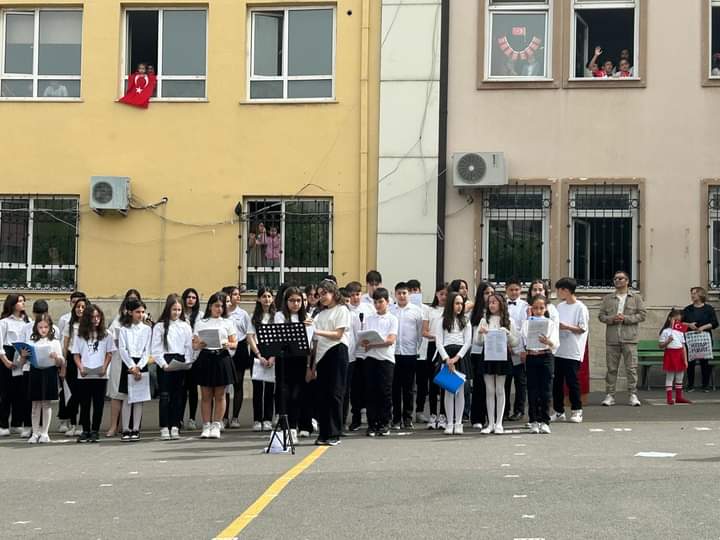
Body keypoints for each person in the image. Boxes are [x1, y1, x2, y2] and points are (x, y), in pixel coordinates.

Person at [310, 279, 351, 446]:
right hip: (321, 356)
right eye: (319, 295)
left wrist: (316, 330)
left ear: (333, 293)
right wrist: (312, 365)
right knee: (322, 395)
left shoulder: (342, 310)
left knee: (335, 394)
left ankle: (334, 433)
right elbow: (315, 340)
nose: (322, 297)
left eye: (325, 293)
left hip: (337, 352)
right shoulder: (319, 314)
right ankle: (324, 432)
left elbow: (338, 334)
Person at [192, 292, 238, 439]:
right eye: (216, 306)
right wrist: (200, 344)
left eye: (222, 306)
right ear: (210, 306)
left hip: (221, 357)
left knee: (220, 395)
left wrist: (227, 344)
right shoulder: (201, 322)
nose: (219, 309)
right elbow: (194, 345)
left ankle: (217, 424)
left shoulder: (227, 322)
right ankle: (206, 425)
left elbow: (235, 343)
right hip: (206, 357)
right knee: (206, 395)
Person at [599, 270, 647, 407]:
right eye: (615, 279)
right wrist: (612, 319)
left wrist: (626, 318)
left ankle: (633, 394)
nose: (617, 281)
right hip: (612, 338)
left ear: (627, 281)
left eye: (620, 278)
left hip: (630, 338)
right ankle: (610, 395)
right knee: (611, 369)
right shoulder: (608, 298)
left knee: (631, 368)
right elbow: (601, 316)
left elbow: (642, 315)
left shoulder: (636, 298)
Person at [274, 287, 314, 444]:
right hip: (284, 359)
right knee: (285, 393)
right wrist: (300, 327)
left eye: (298, 300)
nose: (295, 304)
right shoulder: (280, 315)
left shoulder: (308, 317)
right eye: (292, 300)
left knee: (300, 393)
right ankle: (288, 427)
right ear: (286, 301)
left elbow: (310, 343)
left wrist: (310, 366)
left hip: (301, 359)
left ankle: (302, 425)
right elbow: (280, 334)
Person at [476, 293, 519, 435]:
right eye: (489, 302)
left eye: (494, 302)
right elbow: (478, 342)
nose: (491, 305)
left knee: (500, 390)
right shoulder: (484, 320)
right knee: (489, 390)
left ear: (501, 304)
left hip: (502, 356)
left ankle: (499, 423)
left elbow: (516, 342)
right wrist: (481, 333)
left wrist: (507, 334)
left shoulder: (509, 321)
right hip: (488, 356)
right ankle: (490, 423)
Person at [152, 294, 194, 440]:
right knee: (165, 396)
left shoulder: (185, 326)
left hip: (180, 361)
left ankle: (175, 425)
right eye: (174, 309)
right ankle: (164, 426)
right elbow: (156, 349)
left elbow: (188, 347)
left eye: (179, 310)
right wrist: (163, 364)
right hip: (166, 361)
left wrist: (188, 362)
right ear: (168, 309)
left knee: (178, 396)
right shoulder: (160, 326)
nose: (176, 312)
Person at [71, 305, 115, 443]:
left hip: (100, 374)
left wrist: (104, 368)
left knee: (98, 404)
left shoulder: (107, 335)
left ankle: (95, 430)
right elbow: (76, 355)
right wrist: (81, 368)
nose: (96, 319)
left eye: (98, 316)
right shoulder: (80, 335)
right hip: (84, 374)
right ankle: (85, 430)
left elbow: (109, 353)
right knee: (84, 404)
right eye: (93, 317)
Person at [20, 313, 64, 443]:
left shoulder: (54, 342)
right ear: (36, 328)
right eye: (40, 327)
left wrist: (56, 357)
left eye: (46, 327)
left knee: (46, 403)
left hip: (49, 372)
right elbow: (21, 363)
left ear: (50, 327)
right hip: (35, 373)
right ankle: (35, 433)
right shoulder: (31, 342)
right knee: (35, 404)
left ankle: (45, 433)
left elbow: (61, 362)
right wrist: (23, 355)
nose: (43, 330)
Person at [359, 288, 397, 437]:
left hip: (386, 359)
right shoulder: (369, 319)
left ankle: (385, 423)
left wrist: (373, 344)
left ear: (387, 302)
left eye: (381, 302)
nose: (378, 305)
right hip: (370, 358)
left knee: (384, 392)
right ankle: (372, 424)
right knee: (370, 391)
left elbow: (390, 340)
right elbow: (364, 339)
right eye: (375, 302)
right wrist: (365, 342)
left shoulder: (392, 319)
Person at [551, 278, 589, 424]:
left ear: (566, 290)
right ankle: (558, 411)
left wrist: (566, 326)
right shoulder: (560, 306)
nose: (558, 293)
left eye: (559, 290)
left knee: (572, 382)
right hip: (559, 349)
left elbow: (582, 328)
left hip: (573, 350)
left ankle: (577, 410)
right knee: (557, 382)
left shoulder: (580, 307)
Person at [434, 292, 472, 435]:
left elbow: (467, 342)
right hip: (447, 355)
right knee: (449, 391)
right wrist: (446, 359)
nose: (459, 306)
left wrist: (457, 358)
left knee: (460, 391)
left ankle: (458, 423)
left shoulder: (466, 321)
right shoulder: (442, 320)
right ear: (450, 304)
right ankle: (449, 423)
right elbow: (439, 342)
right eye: (457, 303)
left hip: (460, 356)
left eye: (461, 303)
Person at [107, 289, 143, 438]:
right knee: (117, 394)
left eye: (135, 299)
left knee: (133, 395)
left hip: (136, 361)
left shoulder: (142, 320)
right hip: (119, 359)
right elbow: (110, 336)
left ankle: (127, 426)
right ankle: (113, 426)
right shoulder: (118, 320)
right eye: (130, 299)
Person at [522, 295, 559, 435]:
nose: (538, 311)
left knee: (546, 390)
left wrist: (548, 341)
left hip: (546, 356)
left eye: (541, 308)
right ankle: (533, 420)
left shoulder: (550, 323)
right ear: (531, 308)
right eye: (535, 308)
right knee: (532, 390)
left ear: (546, 308)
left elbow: (555, 344)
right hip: (532, 356)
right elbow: (523, 340)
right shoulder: (526, 323)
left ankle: (545, 421)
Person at [389, 282, 424, 430]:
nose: (402, 296)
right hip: (394, 353)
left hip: (410, 353)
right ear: (395, 295)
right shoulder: (391, 310)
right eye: (399, 293)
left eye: (404, 293)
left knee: (409, 388)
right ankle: (396, 419)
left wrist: (416, 348)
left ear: (409, 294)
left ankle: (408, 418)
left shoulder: (416, 311)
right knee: (395, 388)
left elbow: (420, 333)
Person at [118, 299, 152, 442]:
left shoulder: (147, 329)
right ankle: (126, 428)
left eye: (143, 312)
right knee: (127, 398)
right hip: (128, 364)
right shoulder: (124, 329)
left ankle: (136, 428)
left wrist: (139, 366)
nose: (141, 315)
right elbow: (122, 349)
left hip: (141, 363)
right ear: (130, 312)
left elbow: (147, 350)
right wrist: (132, 367)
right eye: (138, 312)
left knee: (139, 398)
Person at [0, 294, 30, 438]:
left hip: (22, 355)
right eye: (20, 301)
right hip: (7, 354)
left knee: (20, 391)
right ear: (12, 304)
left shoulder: (27, 322)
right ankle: (3, 424)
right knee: (6, 392)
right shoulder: (4, 322)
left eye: (23, 301)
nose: (23, 303)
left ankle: (17, 423)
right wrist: (5, 360)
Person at [345, 281, 374, 431]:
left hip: (367, 353)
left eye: (357, 294)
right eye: (352, 295)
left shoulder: (369, 308)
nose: (355, 298)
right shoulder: (345, 310)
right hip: (352, 354)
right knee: (355, 388)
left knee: (368, 386)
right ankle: (355, 418)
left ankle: (370, 418)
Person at [247, 287, 276, 432]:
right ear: (259, 299)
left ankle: (268, 419)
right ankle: (257, 419)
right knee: (258, 388)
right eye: (264, 296)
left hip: (272, 351)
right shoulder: (253, 317)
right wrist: (258, 355)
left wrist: (273, 356)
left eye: (269, 296)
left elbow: (279, 337)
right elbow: (250, 337)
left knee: (270, 388)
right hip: (257, 352)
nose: (267, 299)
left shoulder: (277, 316)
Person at [56, 291, 86, 433]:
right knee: (72, 393)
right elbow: (65, 346)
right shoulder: (69, 324)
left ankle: (82, 424)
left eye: (83, 307)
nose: (80, 309)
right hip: (72, 359)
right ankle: (72, 423)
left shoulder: (90, 325)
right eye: (77, 306)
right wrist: (63, 365)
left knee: (83, 394)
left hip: (86, 360)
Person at [224, 286, 252, 428]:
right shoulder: (223, 313)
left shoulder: (243, 314)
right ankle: (224, 417)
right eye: (234, 294)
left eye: (238, 294)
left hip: (239, 348)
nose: (238, 296)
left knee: (238, 383)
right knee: (225, 385)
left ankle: (235, 417)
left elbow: (248, 333)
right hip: (225, 348)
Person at [682, 287, 718, 392]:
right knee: (691, 362)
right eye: (691, 293)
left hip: (704, 339)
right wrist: (689, 325)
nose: (692, 295)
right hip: (691, 339)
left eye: (694, 293)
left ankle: (705, 385)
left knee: (704, 362)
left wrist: (703, 328)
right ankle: (690, 385)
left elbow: (715, 323)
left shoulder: (708, 309)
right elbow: (680, 322)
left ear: (701, 294)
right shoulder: (688, 309)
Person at [469, 282, 494, 429]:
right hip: (477, 352)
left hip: (493, 352)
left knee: (492, 387)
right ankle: (477, 418)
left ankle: (492, 418)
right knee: (479, 386)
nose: (489, 296)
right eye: (486, 293)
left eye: (492, 293)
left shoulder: (497, 312)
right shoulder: (474, 313)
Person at [425, 284, 448, 430]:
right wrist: (437, 337)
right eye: (441, 294)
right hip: (433, 346)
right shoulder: (430, 310)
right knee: (433, 382)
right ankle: (433, 414)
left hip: (446, 347)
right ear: (436, 294)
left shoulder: (451, 311)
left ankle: (443, 415)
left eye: (446, 294)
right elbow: (424, 331)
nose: (443, 297)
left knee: (445, 382)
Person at [505, 278, 528, 422]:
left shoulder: (525, 306)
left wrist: (523, 348)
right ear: (506, 290)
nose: (514, 292)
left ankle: (519, 410)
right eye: (511, 289)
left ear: (520, 290)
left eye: (516, 290)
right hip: (504, 347)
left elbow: (526, 328)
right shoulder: (502, 304)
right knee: (505, 381)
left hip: (519, 347)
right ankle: (505, 410)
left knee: (520, 381)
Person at [659, 309, 691, 406]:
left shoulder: (680, 332)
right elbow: (660, 345)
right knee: (670, 376)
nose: (677, 322)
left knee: (680, 377)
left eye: (678, 321)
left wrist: (685, 360)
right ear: (670, 319)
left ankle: (679, 397)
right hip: (670, 354)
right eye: (675, 320)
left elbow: (683, 346)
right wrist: (668, 341)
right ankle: (669, 398)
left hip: (679, 354)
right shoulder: (665, 331)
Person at [181, 288, 202, 430]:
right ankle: (179, 418)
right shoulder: (179, 313)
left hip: (196, 356)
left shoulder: (200, 315)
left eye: (194, 298)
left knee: (193, 389)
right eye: (188, 297)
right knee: (182, 389)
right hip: (182, 356)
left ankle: (192, 418)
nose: (191, 300)